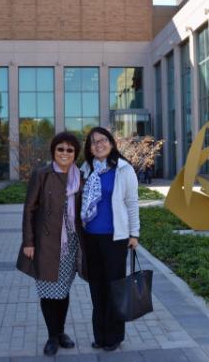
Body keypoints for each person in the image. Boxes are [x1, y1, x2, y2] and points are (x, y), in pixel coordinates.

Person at [16, 132, 87, 356]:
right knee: (48, 291)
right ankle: (52, 336)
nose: (65, 153)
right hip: (46, 243)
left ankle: (61, 331)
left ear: (75, 153)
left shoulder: (81, 177)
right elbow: (29, 209)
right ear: (53, 151)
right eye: (60, 149)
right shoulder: (42, 175)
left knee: (63, 290)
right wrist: (28, 242)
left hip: (71, 244)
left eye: (69, 150)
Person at [80, 127, 140, 352]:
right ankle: (100, 335)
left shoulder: (124, 169)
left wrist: (134, 234)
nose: (99, 145)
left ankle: (114, 336)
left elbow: (132, 203)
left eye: (102, 140)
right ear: (89, 148)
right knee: (96, 288)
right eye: (94, 142)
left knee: (114, 288)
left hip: (115, 239)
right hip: (90, 238)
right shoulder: (85, 170)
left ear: (111, 143)